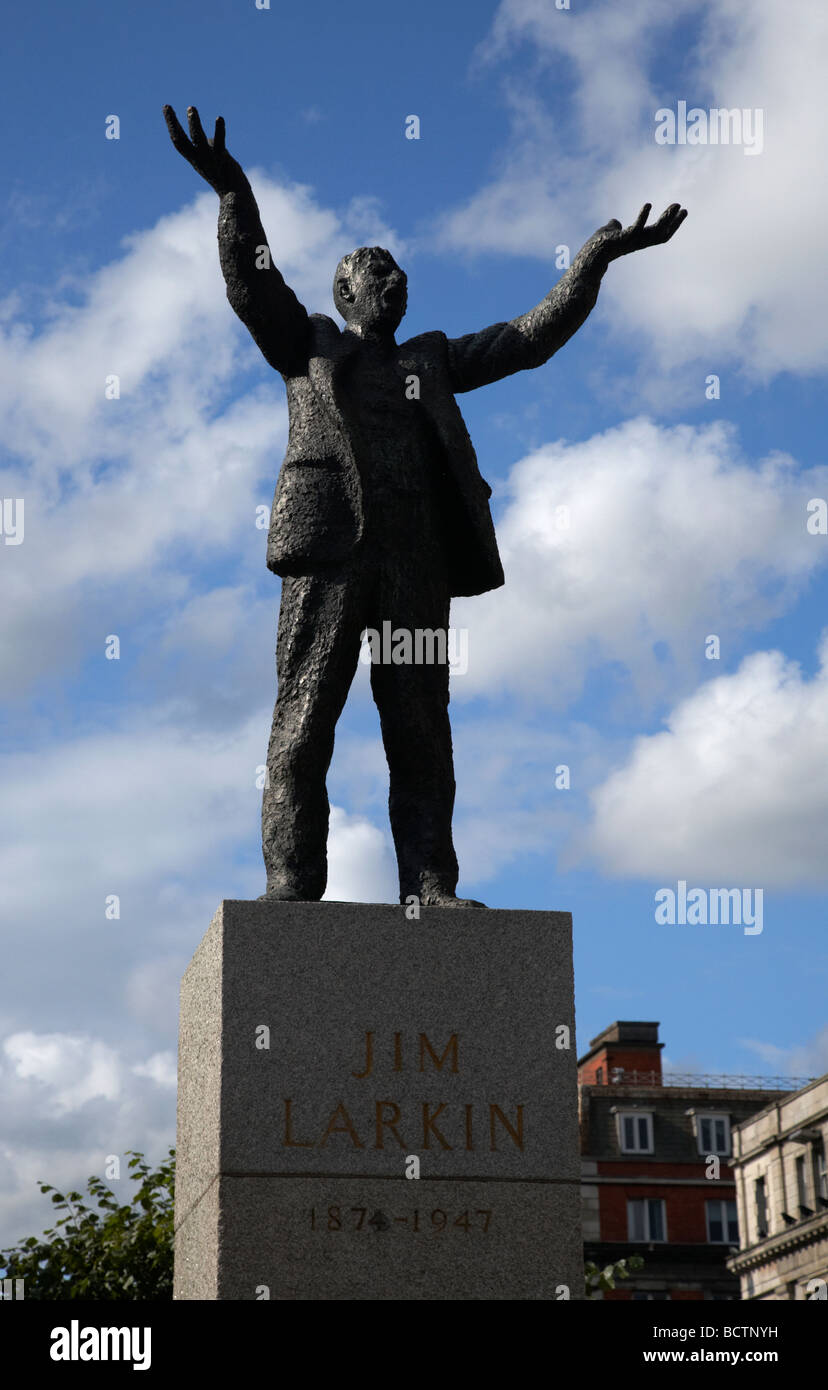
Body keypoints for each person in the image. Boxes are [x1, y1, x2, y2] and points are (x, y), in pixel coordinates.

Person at [163, 105, 687, 906]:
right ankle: (292, 887)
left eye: (400, 272)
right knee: (304, 728)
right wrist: (233, 191)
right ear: (345, 291)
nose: (395, 281)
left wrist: (595, 261)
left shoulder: (431, 360)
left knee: (419, 732)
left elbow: (527, 339)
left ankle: (430, 888)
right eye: (378, 271)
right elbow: (252, 281)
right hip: (332, 556)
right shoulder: (306, 345)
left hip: (414, 564)